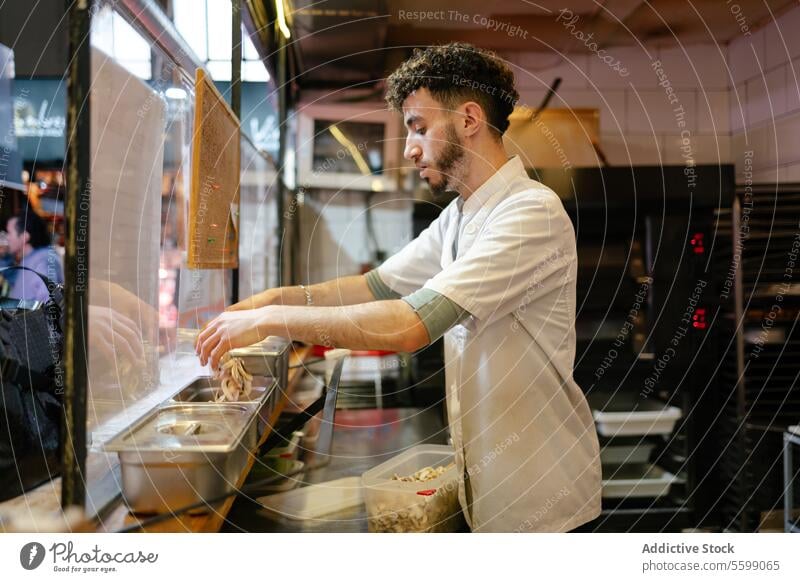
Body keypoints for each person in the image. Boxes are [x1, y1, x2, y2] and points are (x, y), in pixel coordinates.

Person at [196, 43, 601, 532]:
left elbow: (411, 324)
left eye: (419, 128)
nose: (409, 148)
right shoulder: (458, 217)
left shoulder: (528, 214)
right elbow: (374, 288)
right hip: (489, 489)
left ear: (469, 119)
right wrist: (268, 299)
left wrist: (267, 321)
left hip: (541, 499)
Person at [4, 209, 64, 302]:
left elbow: (50, 302)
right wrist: (4, 256)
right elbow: (15, 280)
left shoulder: (43, 260)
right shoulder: (30, 258)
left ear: (25, 237)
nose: (6, 237)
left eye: (9, 232)